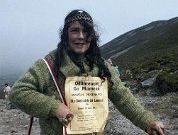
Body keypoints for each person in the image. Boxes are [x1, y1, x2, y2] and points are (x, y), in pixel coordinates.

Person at [9, 9, 165, 135]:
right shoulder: (48, 65)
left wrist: (147, 121)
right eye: (75, 31)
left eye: (86, 31)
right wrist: (54, 107)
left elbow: (123, 98)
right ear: (65, 35)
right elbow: (18, 92)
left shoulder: (101, 66)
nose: (81, 36)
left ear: (92, 35)